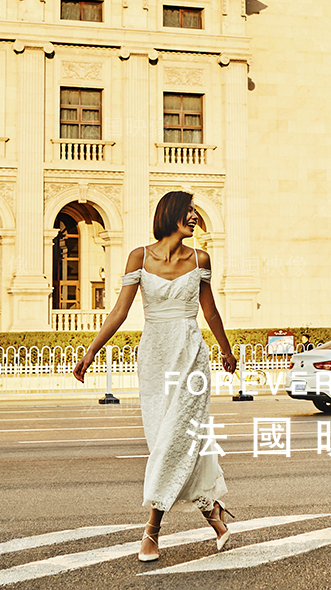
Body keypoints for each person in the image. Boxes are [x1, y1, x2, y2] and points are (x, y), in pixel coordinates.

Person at [74, 191, 237, 563]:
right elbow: (119, 311)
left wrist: (227, 352)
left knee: (175, 442)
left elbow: (210, 314)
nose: (196, 217)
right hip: (154, 357)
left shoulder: (200, 259)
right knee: (168, 441)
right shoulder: (139, 256)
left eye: (196, 211)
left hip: (191, 354)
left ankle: (151, 532)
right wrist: (91, 351)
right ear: (173, 215)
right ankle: (215, 517)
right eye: (190, 211)